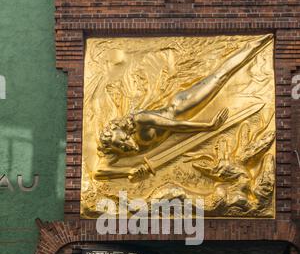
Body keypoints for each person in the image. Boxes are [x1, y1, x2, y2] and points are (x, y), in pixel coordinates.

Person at [95, 34, 273, 179]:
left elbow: (174, 125)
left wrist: (208, 126)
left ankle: (255, 45)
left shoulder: (141, 120)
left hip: (183, 108)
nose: (127, 146)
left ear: (126, 132)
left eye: (124, 140)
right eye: (122, 147)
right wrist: (128, 171)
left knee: (220, 76)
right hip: (178, 136)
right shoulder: (115, 150)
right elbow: (99, 171)